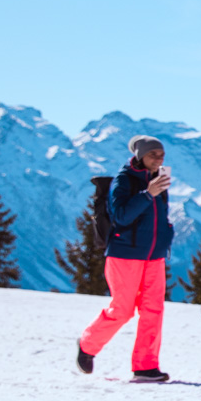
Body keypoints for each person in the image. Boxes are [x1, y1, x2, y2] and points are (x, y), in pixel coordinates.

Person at [75, 134, 175, 382]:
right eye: (153, 154)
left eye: (161, 155)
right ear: (140, 156)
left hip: (154, 257)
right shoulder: (124, 180)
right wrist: (148, 194)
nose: (158, 159)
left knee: (153, 311)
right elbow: (121, 216)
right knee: (122, 309)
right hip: (125, 255)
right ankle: (87, 344)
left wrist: (167, 234)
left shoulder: (158, 181)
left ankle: (145, 366)